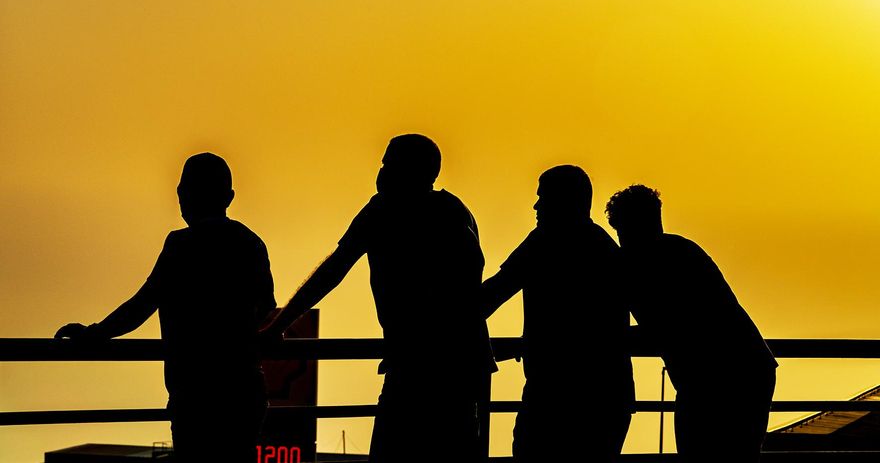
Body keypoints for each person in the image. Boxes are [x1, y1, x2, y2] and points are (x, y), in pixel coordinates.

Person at [260, 134, 496, 463]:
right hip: (460, 366)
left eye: (388, 164)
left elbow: (334, 269)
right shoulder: (453, 212)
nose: (381, 172)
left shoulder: (386, 211)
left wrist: (279, 325)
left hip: (418, 366)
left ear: (409, 170)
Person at [55, 153, 275, 463]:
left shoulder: (181, 245)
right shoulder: (251, 243)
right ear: (228, 197)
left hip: (195, 393)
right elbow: (266, 310)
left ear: (183, 195)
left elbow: (142, 305)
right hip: (244, 389)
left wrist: (94, 334)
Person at [605, 184, 777, 463]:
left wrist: (600, 337)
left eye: (622, 230)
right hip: (748, 369)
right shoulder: (682, 251)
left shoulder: (644, 265)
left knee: (698, 461)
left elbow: (664, 328)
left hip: (715, 379)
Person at [481, 165, 634, 462]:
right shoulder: (603, 246)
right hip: (607, 397)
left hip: (554, 397)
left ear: (565, 201)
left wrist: (434, 326)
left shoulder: (544, 242)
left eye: (543, 198)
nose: (536, 206)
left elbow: (492, 294)